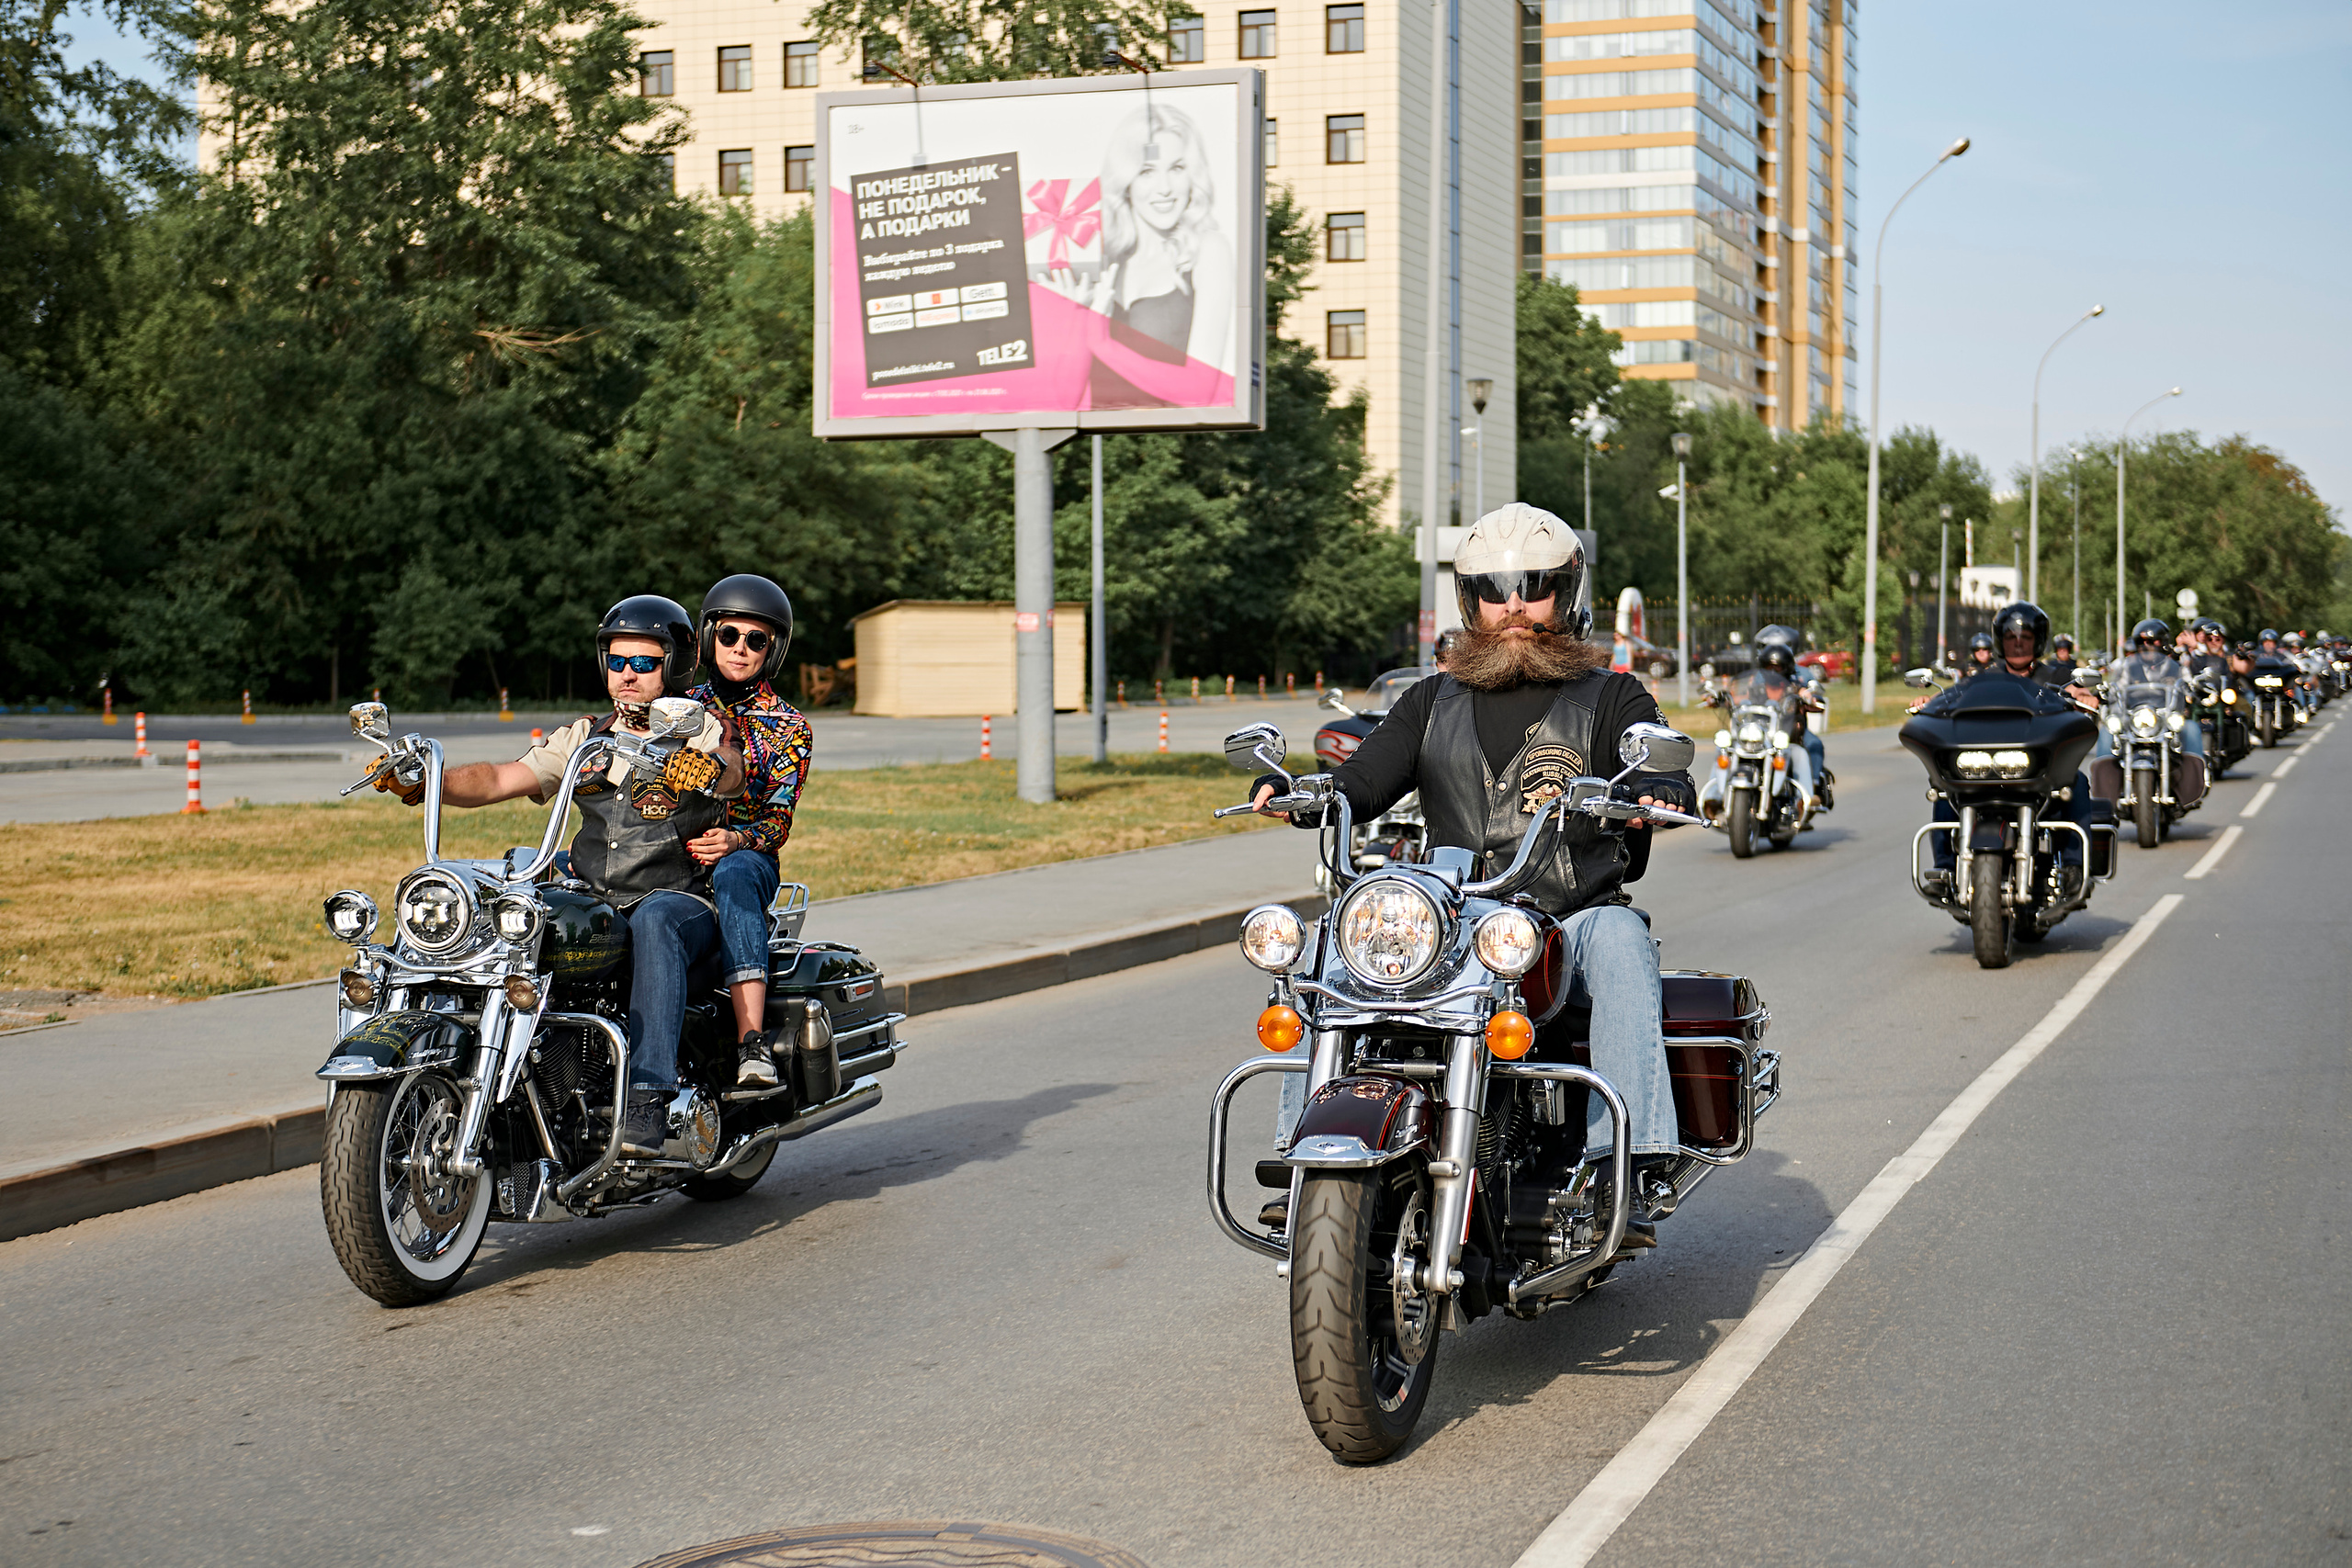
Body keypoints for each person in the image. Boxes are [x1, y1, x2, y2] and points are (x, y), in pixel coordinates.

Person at [1250, 502, 1698, 1246]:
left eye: (1535, 584)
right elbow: (1364, 779)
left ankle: (1630, 1158)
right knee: (1332, 944)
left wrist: (1659, 788)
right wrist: (1309, 792)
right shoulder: (1430, 700)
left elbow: (1646, 747)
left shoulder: (1611, 695)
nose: (1515, 603)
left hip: (1569, 918)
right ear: (1471, 601)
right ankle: (1314, 1154)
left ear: (1568, 593)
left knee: (1621, 938)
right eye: (1495, 587)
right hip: (1457, 920)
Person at [380, 596, 744, 1156]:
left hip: (680, 899)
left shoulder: (698, 729)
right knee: (512, 905)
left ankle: (648, 1095)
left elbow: (730, 771)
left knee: (654, 920)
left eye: (643, 663)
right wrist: (427, 781)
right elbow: (503, 776)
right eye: (616, 662)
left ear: (673, 667)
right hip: (596, 895)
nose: (627, 675)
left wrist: (711, 767)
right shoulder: (585, 737)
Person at [684, 574, 815, 1088]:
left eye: (756, 640)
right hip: (670, 849)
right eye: (730, 635)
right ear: (707, 636)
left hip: (747, 857)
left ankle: (752, 1044)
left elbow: (778, 822)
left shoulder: (789, 726)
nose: (740, 649)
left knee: (736, 874)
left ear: (773, 650)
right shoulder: (675, 707)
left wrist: (736, 840)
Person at [1048, 101, 1236, 412]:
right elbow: (1064, 399)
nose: (1165, 188)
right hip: (1098, 449)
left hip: (1176, 447)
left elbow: (1200, 390)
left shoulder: (1208, 249)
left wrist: (1104, 345)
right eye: (1147, 171)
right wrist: (1073, 321)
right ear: (1126, 181)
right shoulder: (1102, 257)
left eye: (1177, 168)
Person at [1917, 602, 2098, 886]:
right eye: (2010, 638)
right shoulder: (1985, 678)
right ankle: (1944, 868)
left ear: (2037, 641)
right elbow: (1955, 696)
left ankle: (2075, 866)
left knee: (2076, 783)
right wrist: (1931, 703)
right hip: (1990, 766)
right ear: (2001, 641)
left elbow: (2077, 691)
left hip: (2037, 768)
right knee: (1944, 788)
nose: (2017, 645)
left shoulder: (2057, 676)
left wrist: (2084, 697)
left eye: (2024, 638)